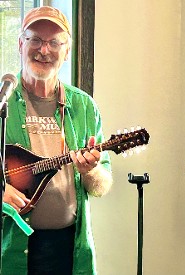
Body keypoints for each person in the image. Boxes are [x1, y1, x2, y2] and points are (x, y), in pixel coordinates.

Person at [1, 6, 113, 275]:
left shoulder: (83, 106)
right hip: (10, 250)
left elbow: (101, 185)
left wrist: (90, 170)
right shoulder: (2, 102)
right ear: (20, 44)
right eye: (35, 39)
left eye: (54, 42)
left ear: (66, 52)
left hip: (70, 249)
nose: (44, 50)